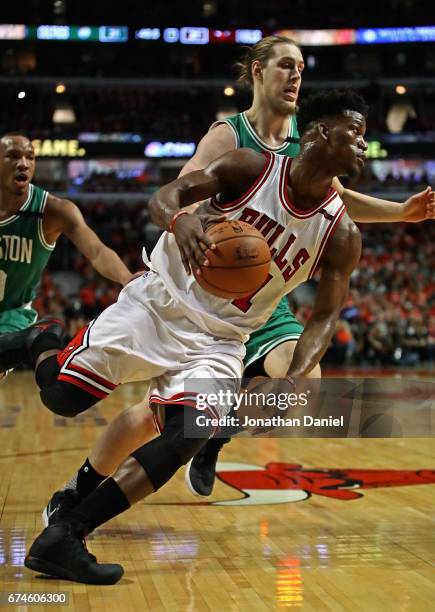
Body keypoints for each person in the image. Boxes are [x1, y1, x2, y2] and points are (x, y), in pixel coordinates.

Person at [44, 35, 435, 507]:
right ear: (257, 71)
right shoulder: (230, 136)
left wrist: (401, 213)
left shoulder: (309, 140)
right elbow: (179, 190)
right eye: (286, 66)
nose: (296, 77)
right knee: (155, 413)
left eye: (302, 69)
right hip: (206, 284)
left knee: (301, 388)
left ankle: (214, 434)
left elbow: (341, 202)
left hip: (260, 297)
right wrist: (188, 221)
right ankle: (90, 485)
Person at [9, 88, 370, 584]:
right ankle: (39, 339)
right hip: (160, 302)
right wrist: (180, 223)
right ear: (322, 132)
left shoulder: (342, 233)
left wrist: (297, 374)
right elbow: (166, 197)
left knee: (189, 430)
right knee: (62, 398)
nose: (364, 145)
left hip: (221, 341)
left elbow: (326, 318)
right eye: (357, 133)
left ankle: (66, 534)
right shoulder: (251, 167)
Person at [0, 133, 138, 380]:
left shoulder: (52, 210)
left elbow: (96, 251)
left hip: (9, 315)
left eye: (30, 157)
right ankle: (33, 341)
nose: (24, 163)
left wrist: (126, 277)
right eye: (13, 156)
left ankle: (36, 337)